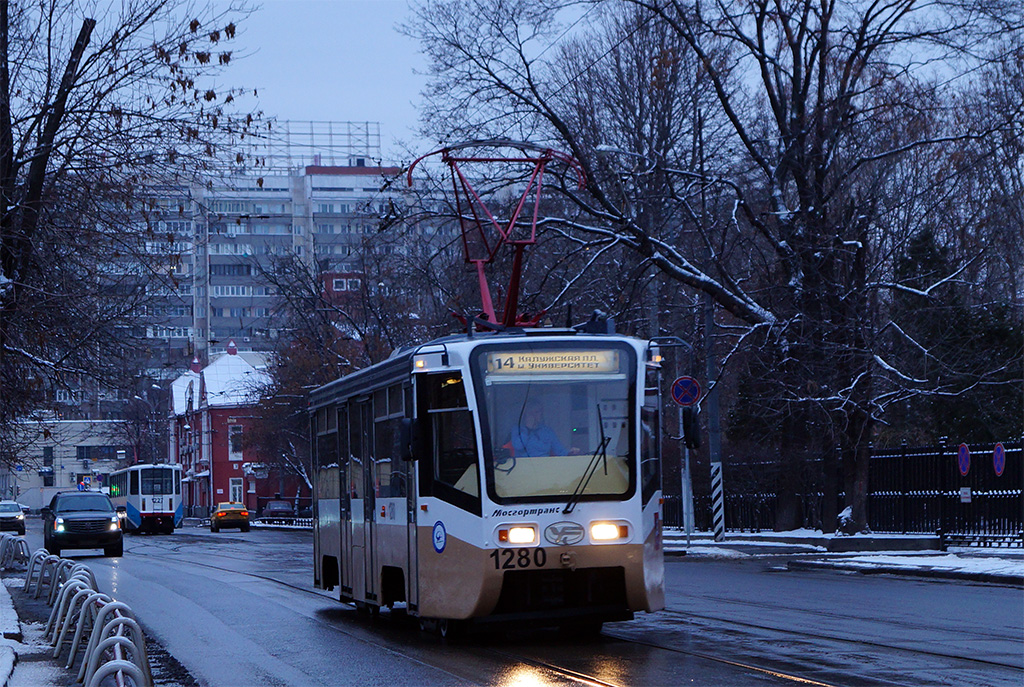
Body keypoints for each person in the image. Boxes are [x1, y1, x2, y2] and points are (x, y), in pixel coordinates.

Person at [509, 399, 575, 457]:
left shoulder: (547, 431)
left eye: (539, 412)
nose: (536, 415)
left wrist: (569, 453)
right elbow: (518, 446)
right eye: (533, 412)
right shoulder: (517, 429)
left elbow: (559, 451)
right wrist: (527, 429)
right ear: (526, 414)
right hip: (523, 464)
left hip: (543, 463)